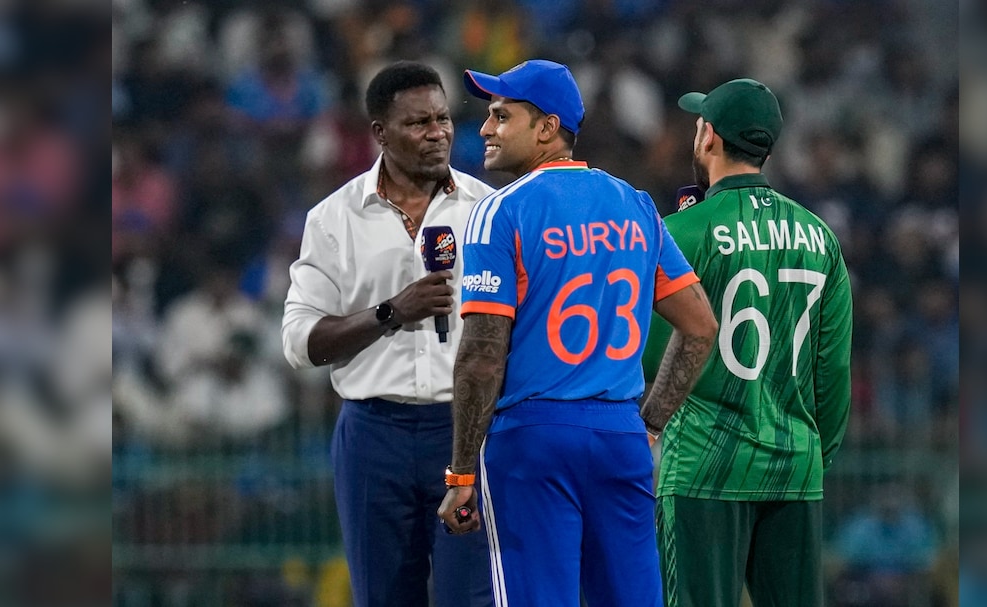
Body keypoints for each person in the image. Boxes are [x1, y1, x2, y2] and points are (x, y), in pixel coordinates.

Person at [437, 59, 719, 607]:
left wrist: (461, 472)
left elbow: (482, 357)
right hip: (620, 437)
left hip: (533, 441)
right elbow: (701, 327)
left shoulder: (500, 212)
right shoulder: (635, 205)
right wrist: (649, 425)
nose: (486, 128)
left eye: (502, 116)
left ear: (547, 128)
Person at [281, 61, 494, 607]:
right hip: (374, 435)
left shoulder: (488, 210)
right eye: (418, 123)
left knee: (470, 597)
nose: (437, 133)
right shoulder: (333, 219)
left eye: (443, 119)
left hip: (466, 430)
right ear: (380, 132)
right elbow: (300, 342)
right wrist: (392, 312)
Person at [641, 78, 853, 607]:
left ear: (708, 137)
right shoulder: (820, 237)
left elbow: (651, 357)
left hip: (704, 468)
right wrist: (813, 456)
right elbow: (832, 371)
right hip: (794, 466)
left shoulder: (679, 232)